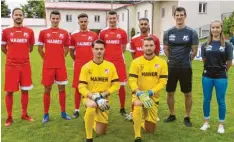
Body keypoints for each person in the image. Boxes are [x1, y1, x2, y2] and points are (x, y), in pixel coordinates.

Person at [163, 7, 199, 127]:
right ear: (174, 16)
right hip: (171, 67)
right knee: (170, 92)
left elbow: (194, 50)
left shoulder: (192, 32)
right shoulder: (168, 32)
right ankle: (172, 114)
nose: (179, 17)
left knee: (187, 93)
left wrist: (187, 60)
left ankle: (187, 116)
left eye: (181, 15)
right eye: (177, 15)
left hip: (185, 67)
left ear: (185, 16)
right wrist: (172, 59)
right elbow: (166, 49)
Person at [78, 39, 120, 142]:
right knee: (92, 105)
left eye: (101, 49)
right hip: (90, 97)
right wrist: (93, 96)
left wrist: (105, 94)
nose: (99, 51)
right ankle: (89, 138)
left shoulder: (110, 66)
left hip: (103, 99)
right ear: (92, 49)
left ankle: (88, 117)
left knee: (101, 132)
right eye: (96, 49)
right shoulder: (86, 67)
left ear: (104, 50)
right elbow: (81, 87)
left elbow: (116, 84)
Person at [129, 37, 168, 142]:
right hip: (138, 94)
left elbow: (163, 82)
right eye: (146, 46)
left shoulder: (162, 62)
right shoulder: (136, 62)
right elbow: (132, 80)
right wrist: (139, 92)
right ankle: (137, 135)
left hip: (152, 97)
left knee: (151, 130)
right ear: (142, 47)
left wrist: (150, 92)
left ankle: (139, 119)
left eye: (151, 45)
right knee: (137, 104)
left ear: (155, 47)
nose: (148, 48)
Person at [1, 8, 35, 127]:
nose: (18, 16)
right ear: (12, 16)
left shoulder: (29, 31)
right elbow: (3, 47)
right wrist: (13, 57)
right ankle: (9, 117)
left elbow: (31, 47)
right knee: (9, 91)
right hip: (11, 66)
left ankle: (24, 114)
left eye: (20, 15)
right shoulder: (6, 31)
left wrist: (22, 56)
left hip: (25, 65)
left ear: (23, 16)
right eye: (16, 15)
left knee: (25, 90)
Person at [38, 10, 71, 123]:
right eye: (53, 18)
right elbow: (39, 49)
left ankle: (63, 112)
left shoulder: (65, 33)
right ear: (50, 18)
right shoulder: (43, 32)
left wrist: (61, 57)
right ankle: (46, 114)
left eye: (57, 18)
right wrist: (47, 59)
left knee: (62, 88)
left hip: (60, 66)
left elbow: (66, 47)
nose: (55, 20)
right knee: (47, 89)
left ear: (59, 19)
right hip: (48, 66)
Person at [200, 20, 233, 134]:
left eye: (217, 27)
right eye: (213, 27)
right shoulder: (205, 44)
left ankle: (221, 125)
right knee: (206, 100)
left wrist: (223, 70)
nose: (215, 30)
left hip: (221, 77)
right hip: (207, 76)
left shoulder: (227, 45)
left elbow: (229, 62)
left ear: (221, 28)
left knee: (221, 101)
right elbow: (204, 60)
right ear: (210, 29)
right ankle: (206, 122)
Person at [126, 17, 161, 121]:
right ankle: (133, 112)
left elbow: (157, 54)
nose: (143, 26)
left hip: (152, 70)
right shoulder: (134, 39)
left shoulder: (155, 39)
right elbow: (133, 55)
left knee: (153, 91)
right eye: (142, 24)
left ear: (148, 25)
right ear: (139, 25)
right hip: (138, 70)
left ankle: (153, 112)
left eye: (145, 24)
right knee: (135, 90)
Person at [99, 11, 128, 116]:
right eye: (110, 18)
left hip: (119, 62)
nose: (112, 20)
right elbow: (101, 47)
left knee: (121, 86)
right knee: (105, 85)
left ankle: (122, 108)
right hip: (106, 63)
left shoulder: (123, 32)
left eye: (113, 18)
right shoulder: (103, 32)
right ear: (108, 19)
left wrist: (116, 55)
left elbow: (123, 48)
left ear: (117, 18)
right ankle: (104, 106)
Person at [70, 13, 98, 118]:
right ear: (78, 22)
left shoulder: (94, 35)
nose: (83, 23)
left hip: (92, 65)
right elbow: (71, 52)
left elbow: (96, 49)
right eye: (81, 21)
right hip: (79, 65)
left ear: (88, 22)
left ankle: (90, 107)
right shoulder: (73, 35)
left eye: (85, 21)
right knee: (77, 87)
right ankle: (76, 110)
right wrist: (77, 60)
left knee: (91, 87)